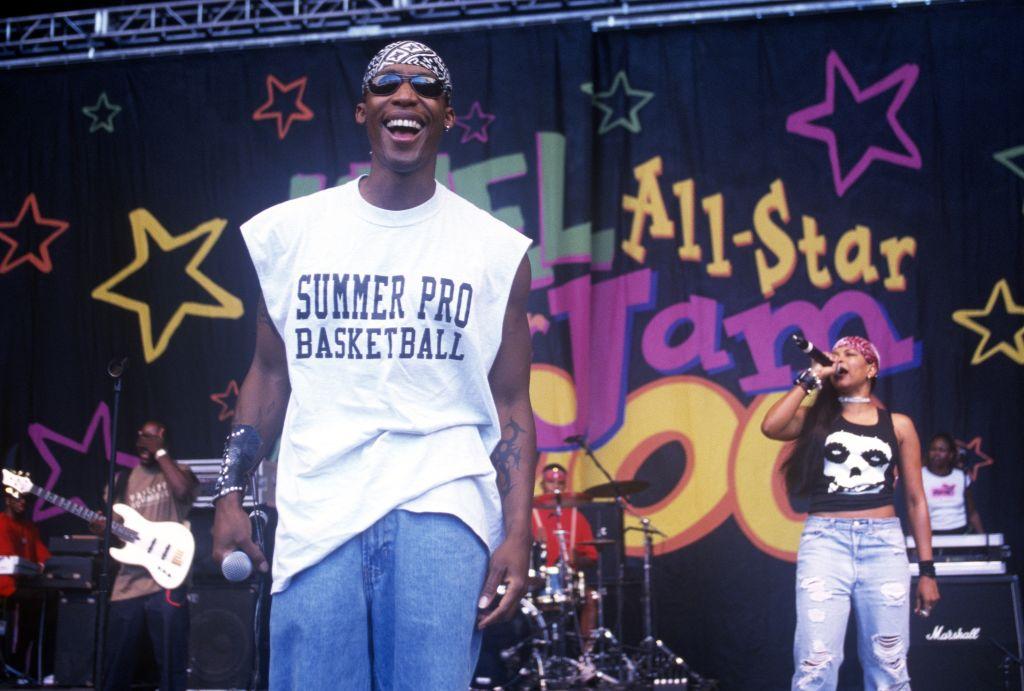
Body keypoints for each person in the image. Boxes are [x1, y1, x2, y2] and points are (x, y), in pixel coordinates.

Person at [211, 39, 536, 690]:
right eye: (388, 83)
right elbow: (269, 374)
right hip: (318, 509)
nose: (406, 94)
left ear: (445, 114)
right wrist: (229, 493)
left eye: (427, 86)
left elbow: (511, 405)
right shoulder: (290, 233)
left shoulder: (496, 251)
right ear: (363, 110)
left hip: (443, 505)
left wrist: (518, 531)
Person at [761, 336, 939, 691]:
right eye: (835, 354)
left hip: (883, 545)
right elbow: (771, 426)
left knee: (888, 663)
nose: (839, 359)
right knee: (816, 662)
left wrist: (927, 570)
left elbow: (917, 499)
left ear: (871, 368)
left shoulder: (899, 425)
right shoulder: (816, 419)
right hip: (826, 543)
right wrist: (811, 378)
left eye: (849, 354)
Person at [96, 421, 198, 691]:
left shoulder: (180, 473)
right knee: (115, 666)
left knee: (171, 665)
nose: (145, 442)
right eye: (142, 436)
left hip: (167, 582)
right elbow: (115, 530)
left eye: (152, 438)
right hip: (128, 584)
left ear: (164, 441)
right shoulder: (122, 481)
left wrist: (161, 454)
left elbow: (183, 492)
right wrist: (101, 528)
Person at [531, 463, 598, 635]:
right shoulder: (530, 515)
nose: (555, 487)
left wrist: (577, 559)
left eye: (560, 483)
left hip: (569, 582)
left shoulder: (577, 517)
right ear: (542, 485)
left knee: (592, 598)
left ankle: (586, 654)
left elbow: (592, 557)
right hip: (536, 582)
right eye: (551, 483)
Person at [0, 481, 50, 674]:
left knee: (45, 600)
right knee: (33, 600)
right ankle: (15, 662)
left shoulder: (29, 528)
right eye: (18, 498)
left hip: (23, 585)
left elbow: (44, 555)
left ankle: (24, 665)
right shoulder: (2, 523)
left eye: (25, 499)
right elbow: (9, 561)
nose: (23, 502)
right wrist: (34, 567)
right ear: (7, 501)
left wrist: (42, 565)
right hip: (7, 586)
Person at [922, 433, 983, 535]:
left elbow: (972, 513)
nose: (936, 453)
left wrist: (983, 539)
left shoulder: (961, 476)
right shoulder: (920, 475)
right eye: (933, 449)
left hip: (960, 533)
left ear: (950, 455)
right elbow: (913, 511)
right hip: (931, 534)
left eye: (941, 450)